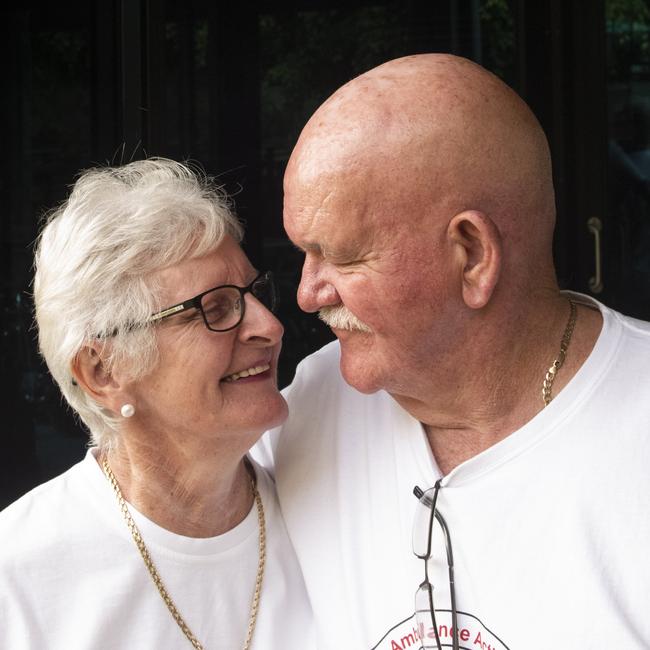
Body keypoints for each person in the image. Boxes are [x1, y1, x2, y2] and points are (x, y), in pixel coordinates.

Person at [253, 54, 650, 649]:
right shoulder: (305, 407)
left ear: (472, 254)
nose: (308, 295)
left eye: (343, 255)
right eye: (304, 255)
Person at [0, 158, 315, 649]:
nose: (269, 326)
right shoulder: (19, 575)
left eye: (254, 293)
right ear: (104, 373)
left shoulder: (326, 507)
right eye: (215, 308)